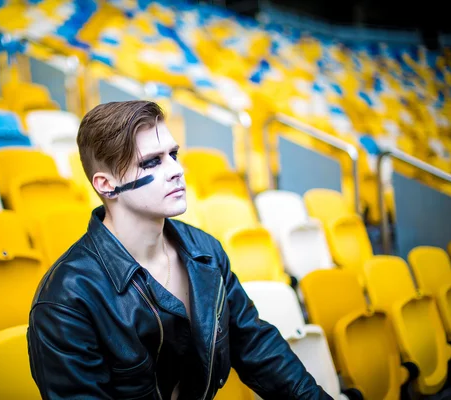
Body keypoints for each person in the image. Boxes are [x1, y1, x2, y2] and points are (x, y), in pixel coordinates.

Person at [27, 100, 331, 399]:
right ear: (106, 184)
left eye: (173, 154)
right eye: (152, 161)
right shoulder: (66, 299)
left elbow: (255, 345)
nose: (176, 170)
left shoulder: (205, 251)